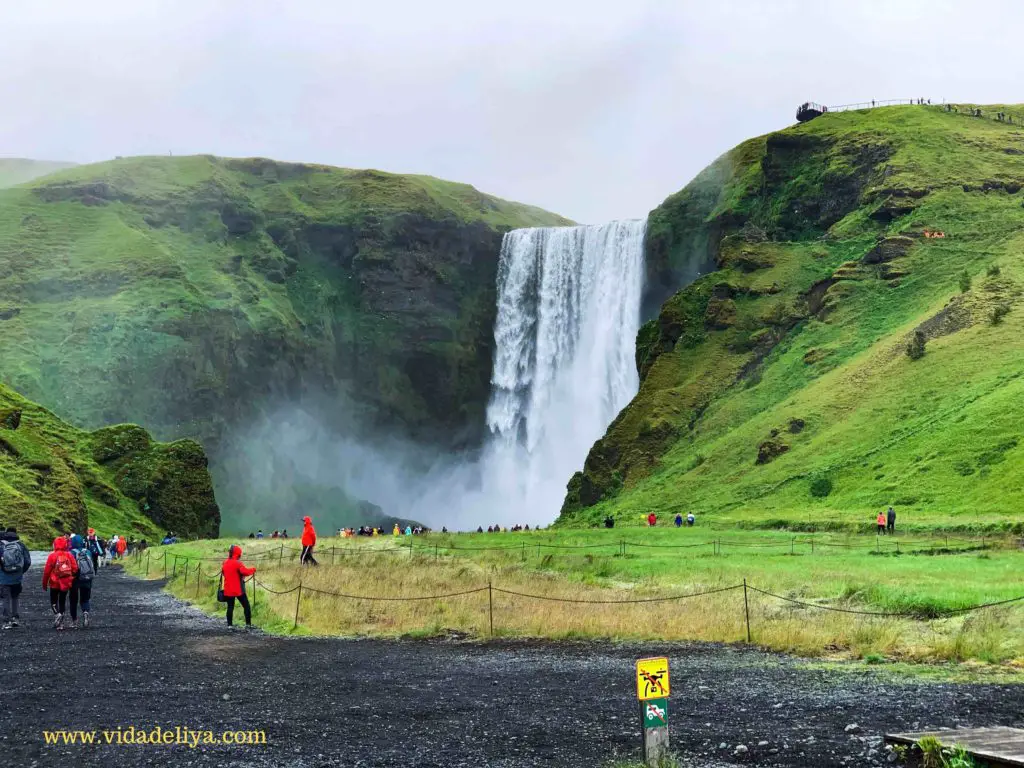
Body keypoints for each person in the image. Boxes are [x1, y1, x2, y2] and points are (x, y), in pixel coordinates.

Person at [42, 537, 78, 630]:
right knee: (62, 601)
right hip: (65, 583)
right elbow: (75, 569)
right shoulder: (69, 555)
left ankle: (57, 615)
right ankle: (61, 623)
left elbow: (46, 571)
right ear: (66, 544)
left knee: (54, 601)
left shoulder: (52, 556)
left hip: (54, 583)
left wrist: (44, 584)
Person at [0, 526, 31, 630]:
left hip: (3, 577)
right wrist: (21, 571)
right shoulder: (21, 545)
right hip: (17, 577)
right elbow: (27, 561)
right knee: (15, 597)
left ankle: (6, 621)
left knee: (5, 598)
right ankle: (15, 618)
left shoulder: (1, 546)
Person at [221, 545, 256, 628]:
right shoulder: (238, 563)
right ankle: (248, 624)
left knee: (230, 607)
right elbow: (245, 572)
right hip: (238, 589)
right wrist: (253, 569)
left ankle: (230, 625)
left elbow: (223, 573)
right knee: (246, 606)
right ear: (238, 554)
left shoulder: (225, 562)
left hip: (228, 588)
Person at [68, 534, 95, 629]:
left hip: (75, 579)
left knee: (73, 600)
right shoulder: (88, 552)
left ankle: (74, 621)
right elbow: (93, 565)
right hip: (87, 578)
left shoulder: (70, 552)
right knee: (85, 599)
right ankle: (86, 612)